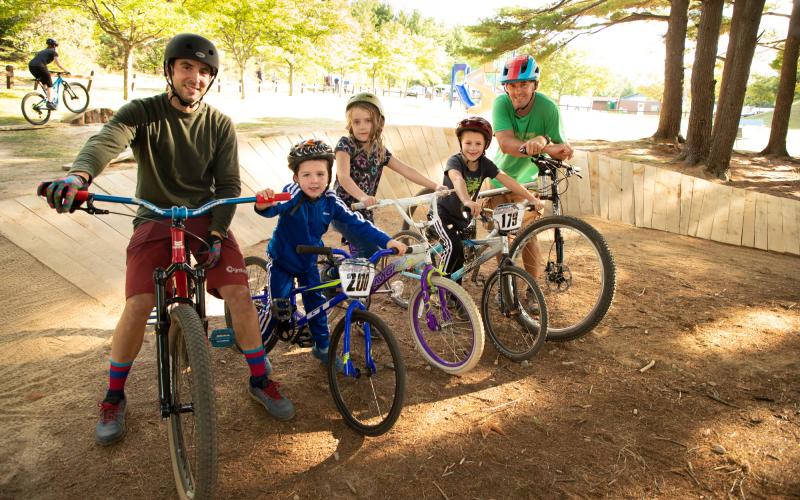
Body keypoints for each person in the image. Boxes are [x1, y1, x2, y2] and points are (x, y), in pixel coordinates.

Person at [36, 33, 295, 447]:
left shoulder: (219, 124)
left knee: (239, 294)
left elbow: (227, 183)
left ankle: (261, 380)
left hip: (205, 218)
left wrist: (215, 232)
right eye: (188, 67)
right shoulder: (143, 112)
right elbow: (106, 140)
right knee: (138, 303)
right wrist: (78, 177)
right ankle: (114, 396)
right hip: (154, 217)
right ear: (170, 70)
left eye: (205, 71)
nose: (196, 77)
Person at [254, 139, 407, 363]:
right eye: (306, 175)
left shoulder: (330, 201)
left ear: (329, 175)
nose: (314, 181)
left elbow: (358, 223)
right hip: (282, 261)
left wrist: (387, 241)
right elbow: (272, 208)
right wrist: (264, 204)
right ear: (296, 178)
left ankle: (323, 348)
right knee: (278, 309)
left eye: (320, 174)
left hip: (308, 262)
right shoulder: (292, 193)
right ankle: (258, 352)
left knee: (317, 305)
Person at [488, 54, 574, 278]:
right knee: (501, 237)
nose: (517, 91)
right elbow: (505, 143)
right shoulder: (501, 103)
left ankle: (531, 291)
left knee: (527, 236)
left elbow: (562, 147)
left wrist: (555, 146)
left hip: (527, 184)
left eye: (523, 84)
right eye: (512, 85)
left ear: (535, 84)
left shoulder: (548, 109)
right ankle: (505, 284)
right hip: (499, 178)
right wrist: (541, 145)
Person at [333, 92, 446, 257]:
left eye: (368, 121)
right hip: (343, 210)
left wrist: (435, 186)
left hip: (364, 211)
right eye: (356, 122)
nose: (362, 126)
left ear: (378, 122)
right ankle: (335, 274)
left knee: (372, 253)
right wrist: (363, 196)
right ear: (350, 124)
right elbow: (343, 176)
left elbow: (405, 169)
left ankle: (350, 275)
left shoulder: (379, 150)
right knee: (369, 250)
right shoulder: (346, 144)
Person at [434, 117, 543, 282]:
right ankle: (438, 288)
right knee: (453, 248)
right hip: (443, 214)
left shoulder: (485, 164)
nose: (472, 148)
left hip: (464, 217)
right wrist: (467, 201)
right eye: (468, 143)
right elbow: (458, 180)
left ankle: (454, 296)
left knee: (461, 257)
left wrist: (530, 198)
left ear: (485, 145)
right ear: (460, 143)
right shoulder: (454, 161)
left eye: (478, 144)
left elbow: (506, 179)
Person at [28, 38, 68, 110]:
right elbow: (58, 64)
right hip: (40, 66)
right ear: (55, 46)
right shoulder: (54, 52)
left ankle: (47, 96)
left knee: (45, 81)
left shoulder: (42, 51)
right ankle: (49, 102)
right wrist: (66, 70)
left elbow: (38, 60)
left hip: (31, 66)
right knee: (50, 84)